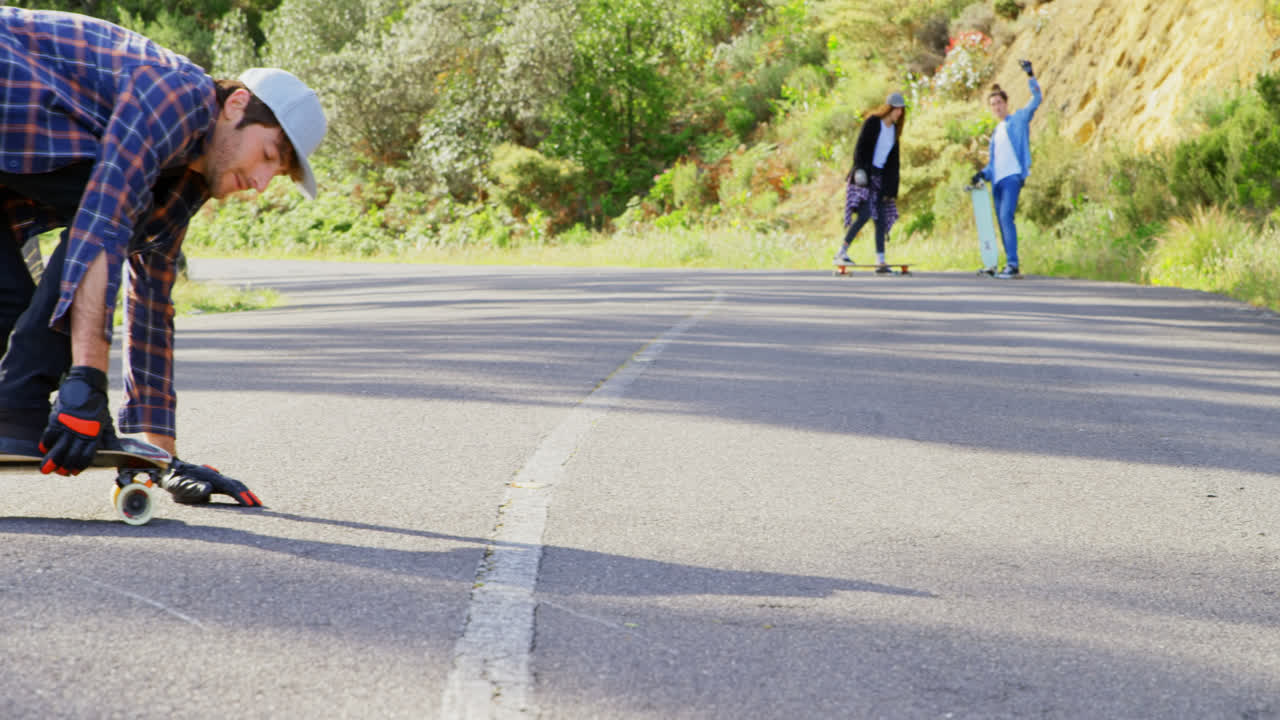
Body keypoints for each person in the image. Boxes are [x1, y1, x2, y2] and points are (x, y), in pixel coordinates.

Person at [0, 8, 327, 504]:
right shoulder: (178, 94)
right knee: (35, 337)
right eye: (267, 155)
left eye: (275, 175)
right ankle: (16, 406)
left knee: (12, 303)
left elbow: (150, 301)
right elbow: (104, 221)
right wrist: (86, 381)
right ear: (237, 105)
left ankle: (14, 407)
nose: (260, 183)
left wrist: (157, 459)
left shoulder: (183, 187)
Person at [972, 59, 1041, 279]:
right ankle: (1008, 264)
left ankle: (1013, 264)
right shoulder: (995, 134)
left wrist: (1030, 75)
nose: (996, 107)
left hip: (1012, 178)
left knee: (1006, 216)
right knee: (1002, 221)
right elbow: (994, 164)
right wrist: (982, 173)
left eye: (999, 103)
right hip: (998, 181)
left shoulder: (1018, 119)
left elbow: (1037, 98)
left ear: (1006, 103)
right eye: (993, 104)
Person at [834, 92, 907, 274]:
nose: (899, 112)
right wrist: (859, 170)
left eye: (901, 109)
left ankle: (880, 261)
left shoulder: (894, 131)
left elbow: (893, 163)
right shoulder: (874, 123)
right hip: (864, 175)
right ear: (889, 107)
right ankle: (841, 252)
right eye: (896, 108)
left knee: (881, 218)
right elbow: (861, 148)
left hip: (880, 178)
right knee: (865, 213)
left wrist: (891, 188)